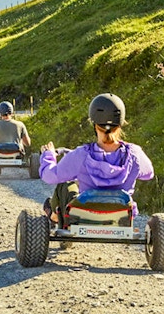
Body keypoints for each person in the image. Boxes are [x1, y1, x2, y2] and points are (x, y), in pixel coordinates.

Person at [38, 93, 154, 226]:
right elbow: (149, 174)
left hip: (86, 216)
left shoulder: (81, 154)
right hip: (120, 215)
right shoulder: (134, 153)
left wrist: (49, 155)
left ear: (93, 122)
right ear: (121, 123)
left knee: (65, 184)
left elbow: (49, 176)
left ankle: (54, 217)